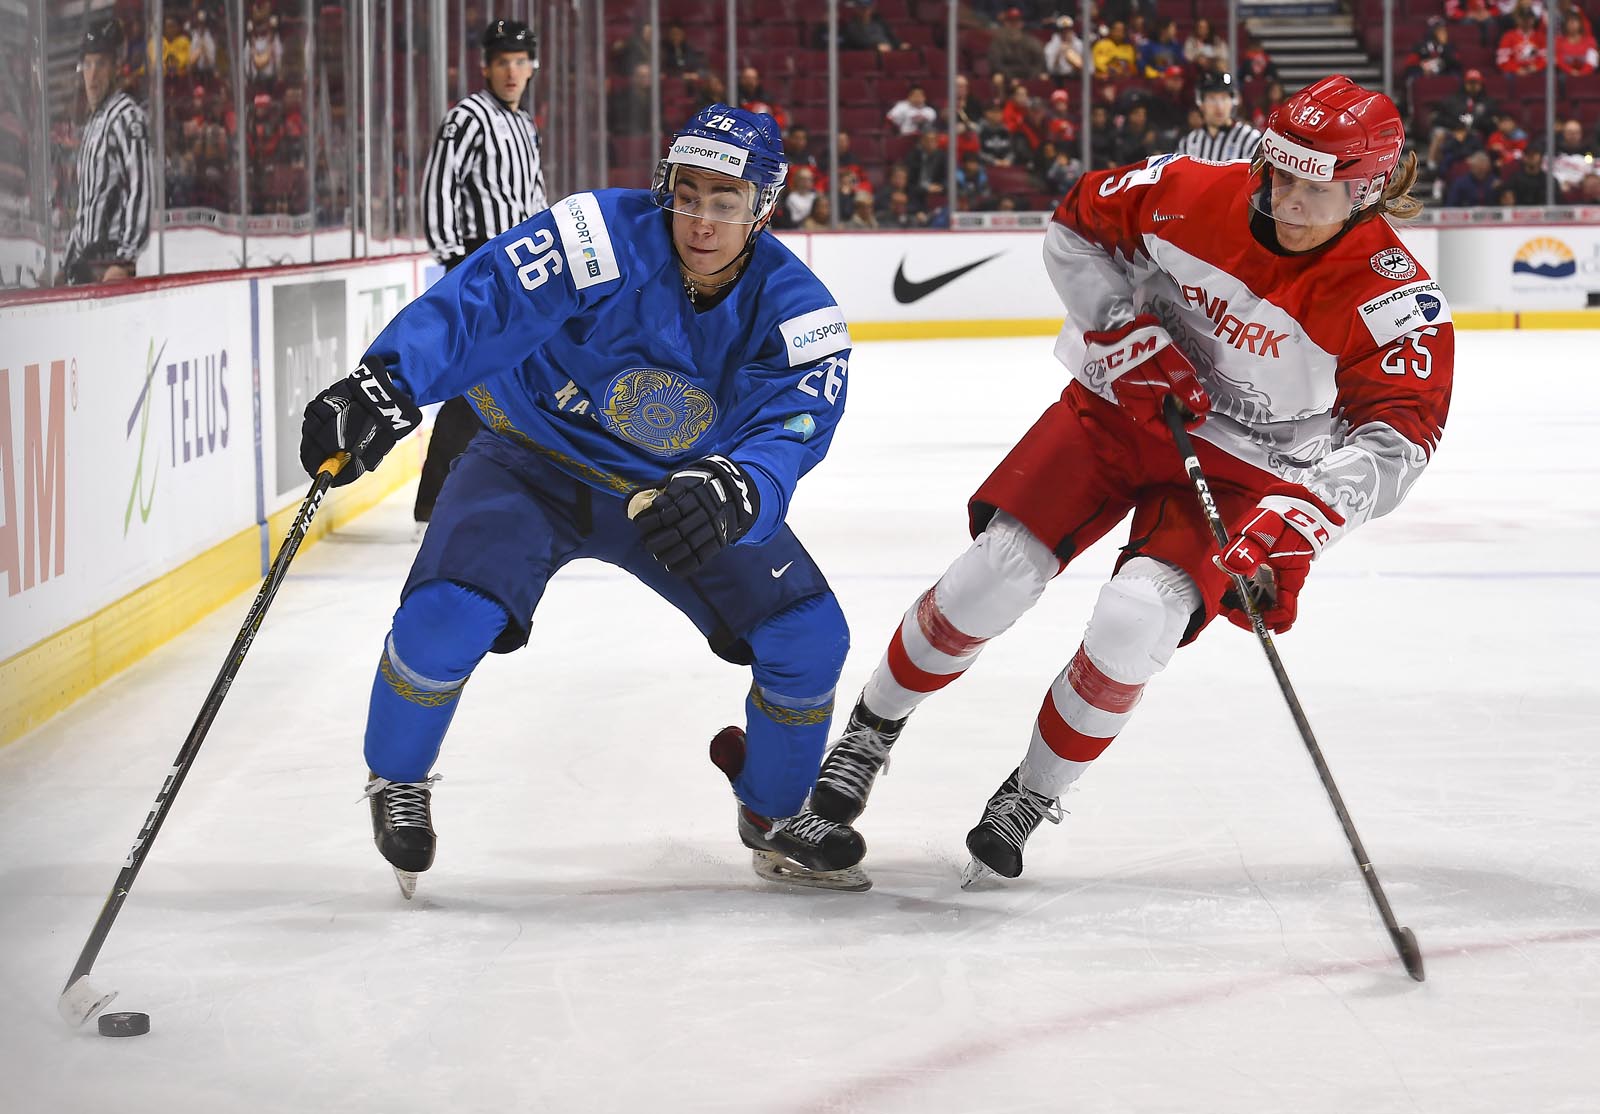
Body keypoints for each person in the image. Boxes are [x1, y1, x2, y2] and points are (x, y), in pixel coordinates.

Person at [808, 76, 1453, 886]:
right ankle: (870, 730)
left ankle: (1031, 793)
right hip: (1119, 409)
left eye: (1312, 187)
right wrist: (1120, 328)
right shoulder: (1187, 190)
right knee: (991, 577)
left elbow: (1400, 436)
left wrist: (1308, 515)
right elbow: (1074, 229)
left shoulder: (1393, 296)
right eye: (1277, 172)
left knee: (1134, 618)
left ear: (1367, 189)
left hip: (1250, 467)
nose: (1285, 199)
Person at [298, 105, 867, 896]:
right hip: (528, 461)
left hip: (674, 492)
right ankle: (397, 778)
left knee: (808, 637)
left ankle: (771, 813)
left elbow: (795, 425)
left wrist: (740, 487)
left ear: (763, 208)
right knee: (444, 619)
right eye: (688, 192)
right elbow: (486, 299)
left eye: (726, 200)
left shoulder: (799, 310)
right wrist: (388, 379)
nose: (700, 219)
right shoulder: (599, 232)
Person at [417, 19, 549, 532]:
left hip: (525, 267)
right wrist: (453, 259)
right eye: (502, 62)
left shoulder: (524, 124)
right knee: (477, 379)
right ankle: (436, 497)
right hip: (483, 263)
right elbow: (439, 184)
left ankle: (467, 492)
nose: (512, 71)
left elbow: (534, 194)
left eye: (520, 61)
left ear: (532, 65)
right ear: (485, 67)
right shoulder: (468, 117)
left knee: (515, 376)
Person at [64, 19, 150, 285]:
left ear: (116, 68)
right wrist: (66, 264)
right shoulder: (92, 124)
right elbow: (88, 207)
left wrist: (124, 261)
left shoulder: (126, 116)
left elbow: (140, 190)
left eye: (100, 64)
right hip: (87, 266)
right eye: (87, 65)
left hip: (111, 265)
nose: (92, 75)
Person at [1175, 72, 1262, 162]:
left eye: (1224, 98)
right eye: (1212, 98)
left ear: (1233, 101)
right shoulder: (1189, 143)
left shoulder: (1251, 139)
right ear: (1200, 103)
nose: (1219, 106)